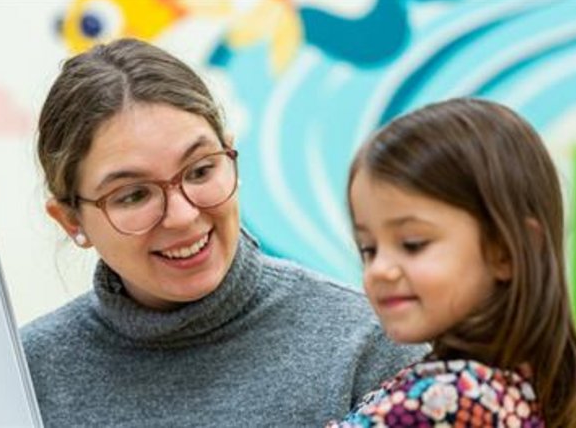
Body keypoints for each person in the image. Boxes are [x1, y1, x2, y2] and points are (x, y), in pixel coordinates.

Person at [22, 38, 427, 427]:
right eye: (133, 195)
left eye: (201, 171)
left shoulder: (369, 344)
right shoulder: (25, 377)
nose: (181, 216)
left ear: (231, 155)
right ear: (71, 220)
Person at [332, 97, 576, 427]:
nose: (380, 269)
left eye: (413, 244)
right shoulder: (511, 387)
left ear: (505, 252)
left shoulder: (447, 401)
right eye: (369, 249)